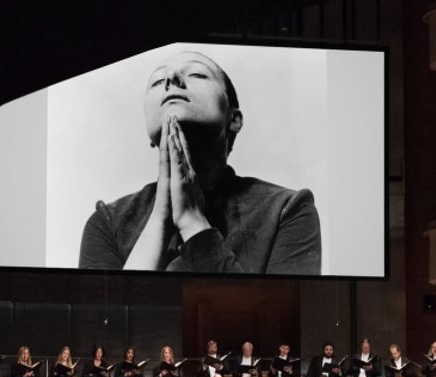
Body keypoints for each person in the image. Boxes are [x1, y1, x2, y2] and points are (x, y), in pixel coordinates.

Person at [78, 49, 321, 274]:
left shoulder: (286, 209)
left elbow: (278, 319)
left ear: (234, 119)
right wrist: (160, 219)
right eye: (156, 82)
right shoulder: (107, 222)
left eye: (197, 74)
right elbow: (106, 319)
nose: (171, 78)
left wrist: (192, 222)